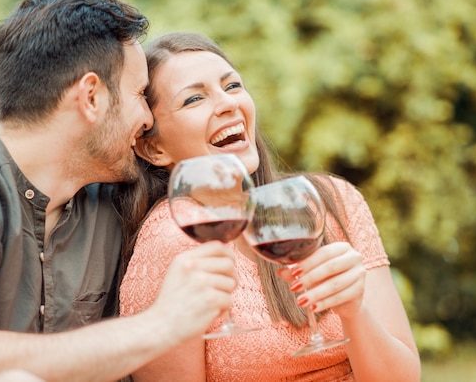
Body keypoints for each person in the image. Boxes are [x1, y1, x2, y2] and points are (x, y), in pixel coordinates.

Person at [0, 0, 239, 382]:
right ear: (90, 97)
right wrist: (161, 325)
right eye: (139, 94)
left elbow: (214, 176)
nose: (148, 118)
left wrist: (314, 238)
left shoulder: (112, 198)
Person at [116, 32, 422, 381]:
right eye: (194, 99)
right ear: (154, 149)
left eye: (232, 86)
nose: (228, 103)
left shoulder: (333, 201)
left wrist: (354, 311)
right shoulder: (171, 241)